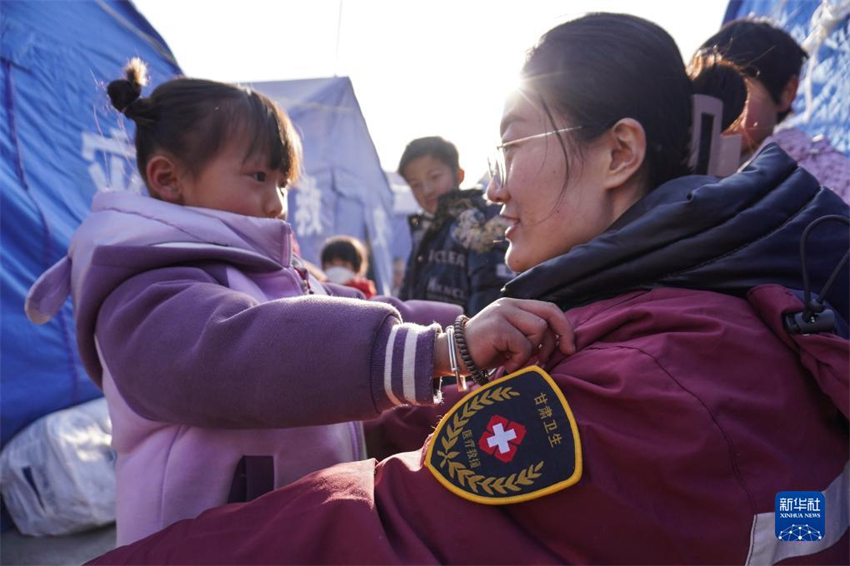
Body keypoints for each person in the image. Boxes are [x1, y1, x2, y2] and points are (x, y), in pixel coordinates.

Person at [89, 13, 848, 564]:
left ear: (619, 152)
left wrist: (436, 351)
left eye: (512, 143)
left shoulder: (659, 380)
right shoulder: (701, 313)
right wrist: (438, 357)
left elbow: (390, 528)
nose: (491, 187)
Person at [24, 58, 574, 547]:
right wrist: (440, 350)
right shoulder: (144, 285)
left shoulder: (264, 269)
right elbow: (240, 351)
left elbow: (359, 309)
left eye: (284, 182)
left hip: (283, 529)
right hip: (204, 542)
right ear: (168, 179)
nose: (277, 201)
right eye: (259, 176)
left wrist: (466, 328)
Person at [690, 18, 850, 203]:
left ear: (786, 92)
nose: (720, 105)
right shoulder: (682, 174)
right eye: (708, 89)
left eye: (737, 88)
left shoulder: (825, 174)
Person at [397, 136, 512, 315]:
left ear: (459, 175)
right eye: (416, 184)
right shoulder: (423, 228)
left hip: (463, 338)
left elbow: (490, 292)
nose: (426, 190)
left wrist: (473, 337)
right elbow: (408, 291)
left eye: (434, 177)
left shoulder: (478, 221)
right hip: (428, 338)